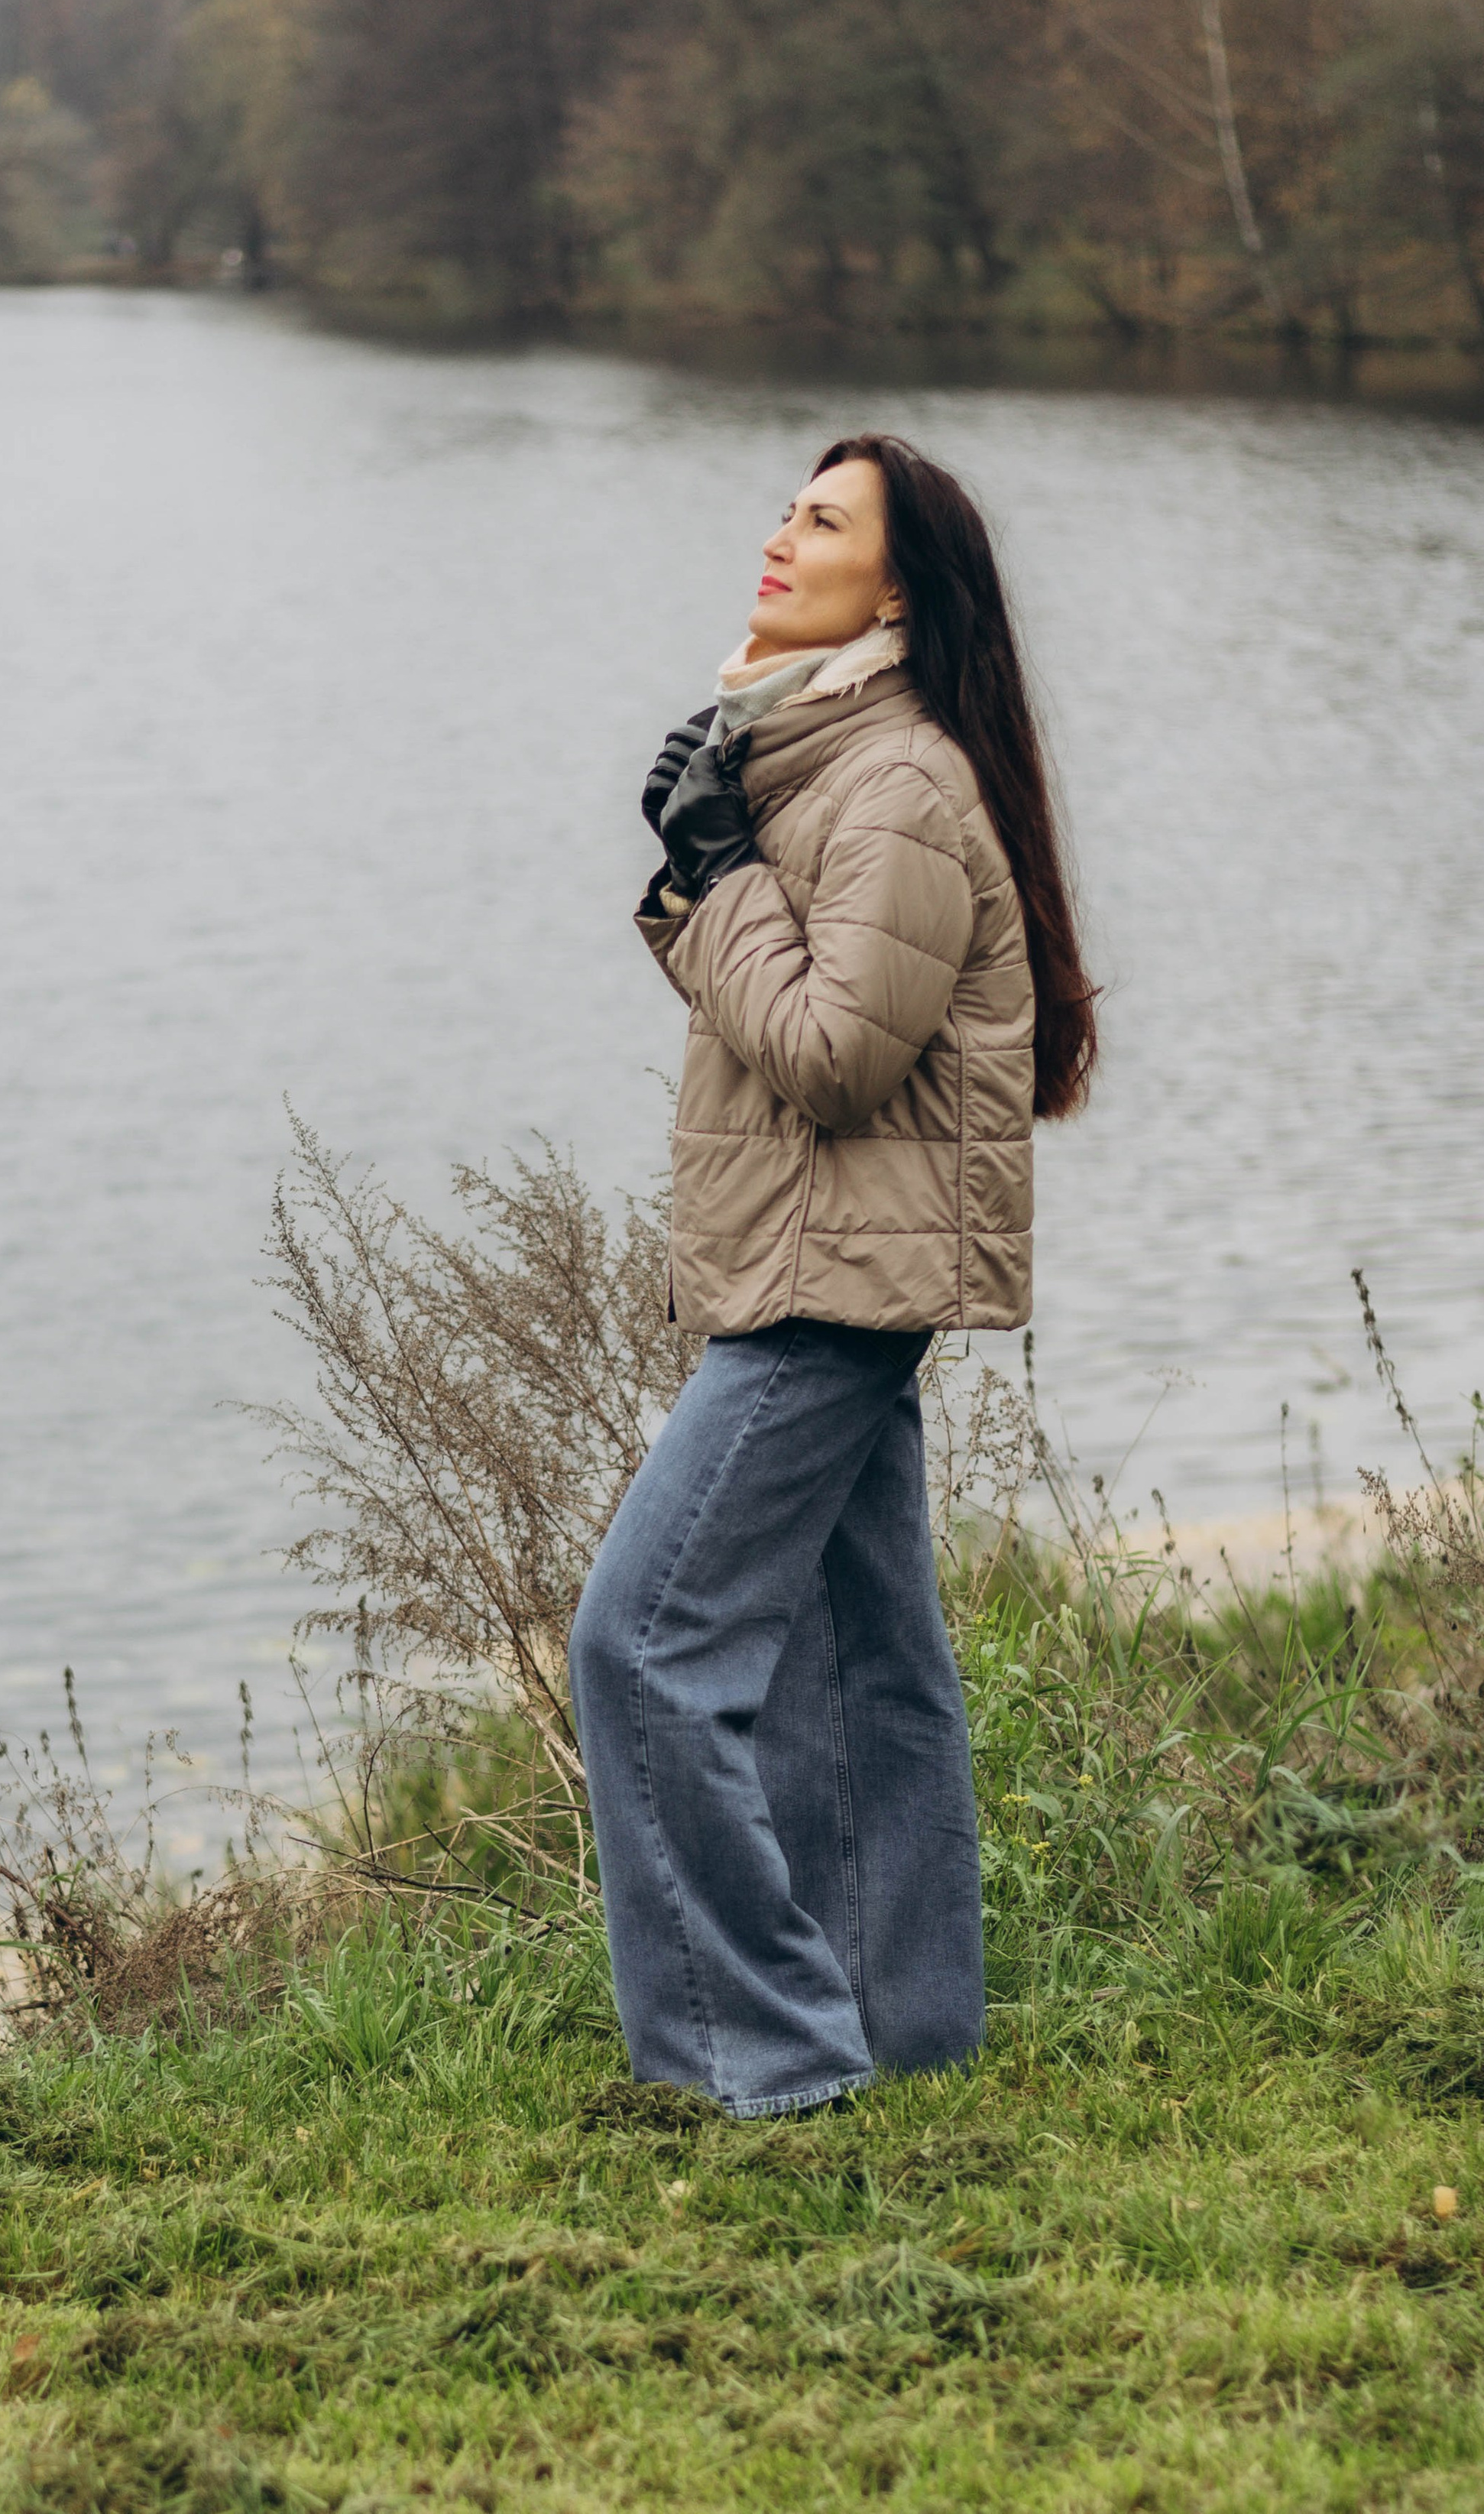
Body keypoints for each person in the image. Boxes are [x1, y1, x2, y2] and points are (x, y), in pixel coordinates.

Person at [567, 433, 1097, 2119]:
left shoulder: (898, 788)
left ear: (896, 585)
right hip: (820, 1263)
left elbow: (828, 1056)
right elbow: (788, 1003)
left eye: (821, 521)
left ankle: (763, 2060)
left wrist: (714, 872)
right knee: (850, 1675)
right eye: (783, 509)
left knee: (640, 1646)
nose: (777, 538)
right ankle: (900, 2028)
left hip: (827, 1289)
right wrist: (698, 867)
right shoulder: (830, 760)